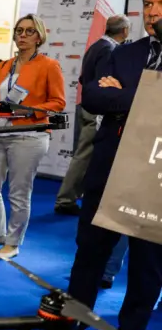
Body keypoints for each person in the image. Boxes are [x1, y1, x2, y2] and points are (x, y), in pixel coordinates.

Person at [44, 0, 162, 330]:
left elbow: (115, 98)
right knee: (88, 259)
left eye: (160, 3)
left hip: (155, 181)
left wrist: (125, 96)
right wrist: (141, 97)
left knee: (147, 270)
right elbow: (93, 97)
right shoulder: (125, 53)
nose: (153, 11)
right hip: (109, 171)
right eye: (148, 3)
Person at [0, 14, 65, 261]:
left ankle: (12, 243)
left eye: (29, 31)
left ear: (39, 37)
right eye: (19, 30)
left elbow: (58, 102)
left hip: (28, 135)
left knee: (19, 193)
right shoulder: (3, 66)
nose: (22, 35)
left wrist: (28, 111)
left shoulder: (49, 65)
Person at [55, 15, 130, 215]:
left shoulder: (96, 46)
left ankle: (71, 197)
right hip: (95, 110)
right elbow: (103, 82)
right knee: (84, 155)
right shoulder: (109, 49)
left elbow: (83, 78)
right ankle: (65, 199)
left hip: (86, 105)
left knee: (85, 154)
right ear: (124, 31)